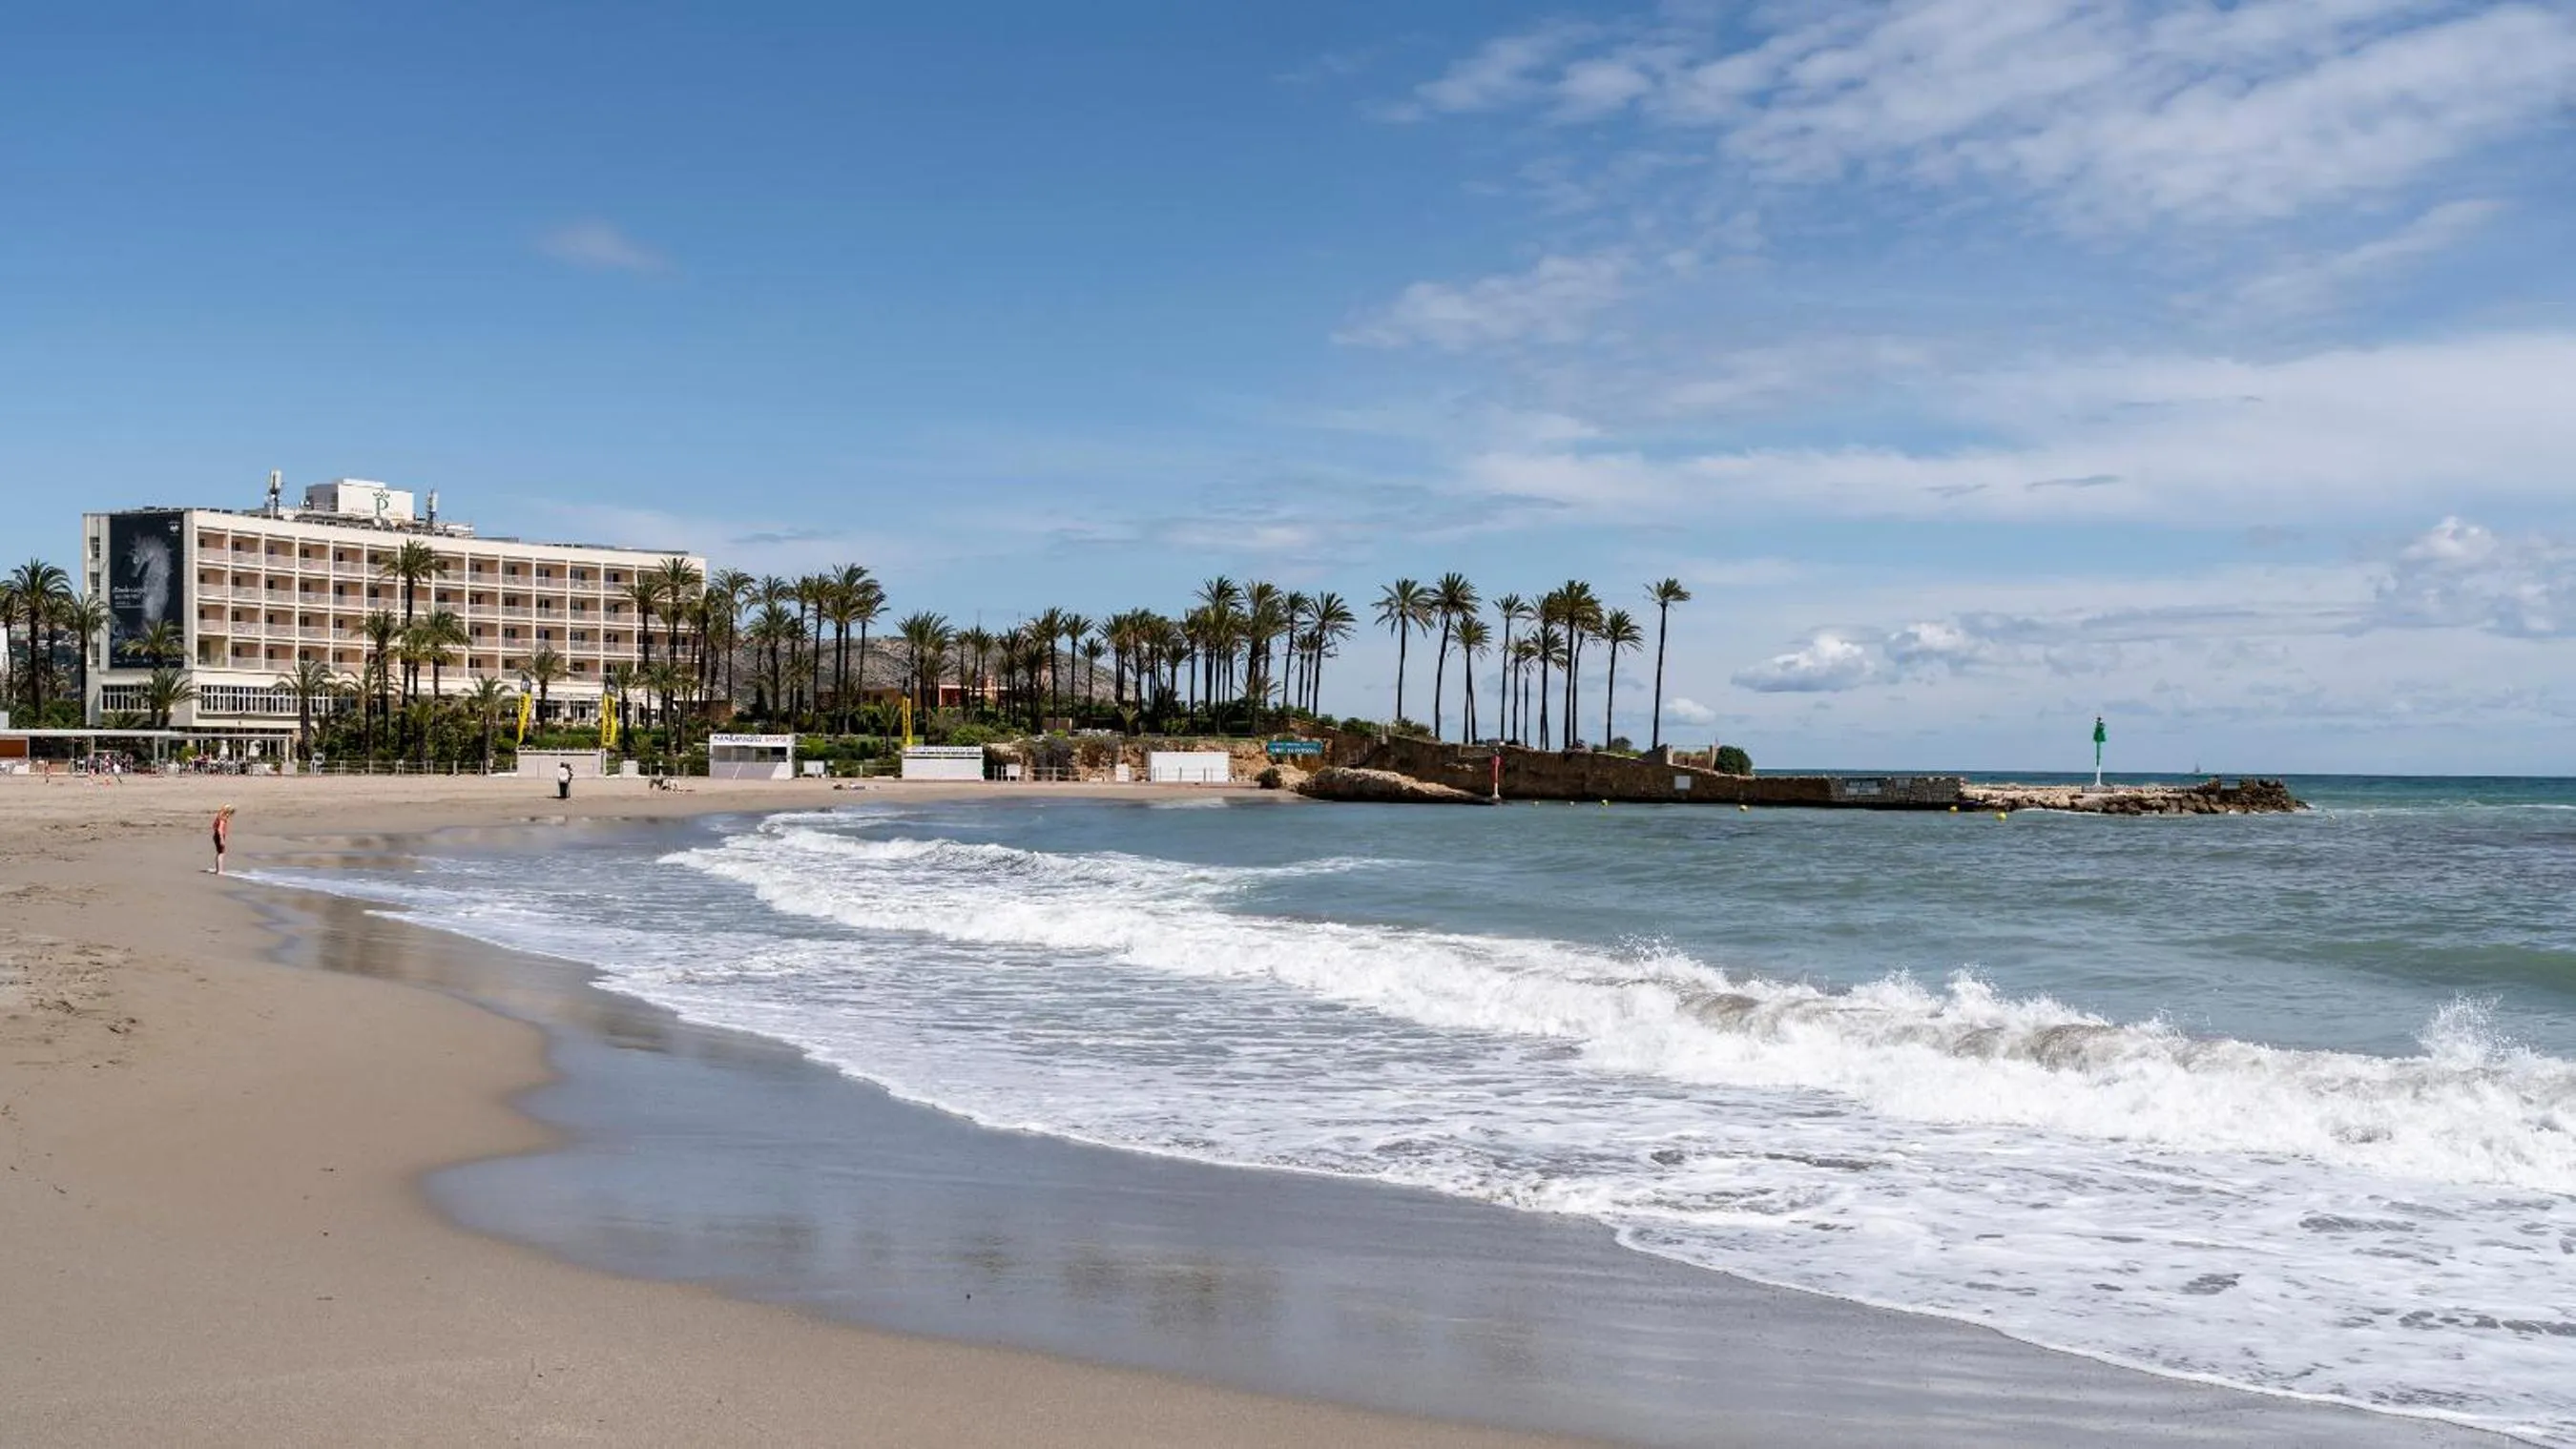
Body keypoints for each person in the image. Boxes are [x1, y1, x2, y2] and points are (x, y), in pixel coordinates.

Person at [212, 805, 235, 876]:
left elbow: (214, 826)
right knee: (221, 854)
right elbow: (220, 829)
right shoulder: (222, 819)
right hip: (219, 835)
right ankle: (219, 870)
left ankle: (218, 869)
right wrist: (222, 839)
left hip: (216, 835)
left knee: (219, 853)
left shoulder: (219, 817)